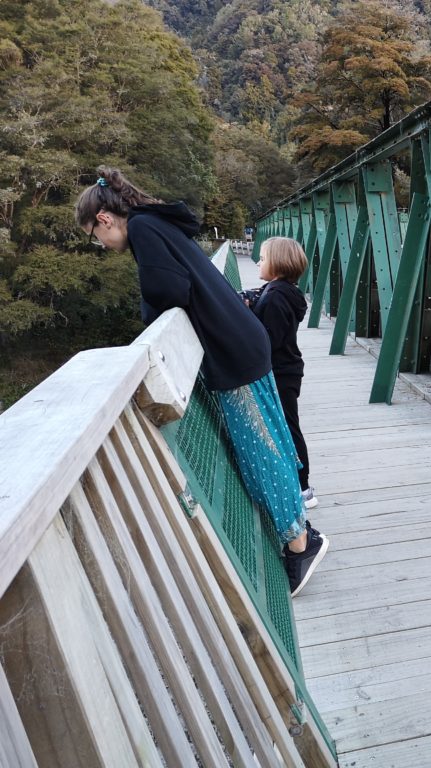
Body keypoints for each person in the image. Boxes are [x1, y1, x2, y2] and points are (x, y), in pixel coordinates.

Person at [75, 166, 328, 597]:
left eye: (95, 236)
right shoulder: (154, 223)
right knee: (271, 443)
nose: (100, 244)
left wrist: (147, 317)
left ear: (104, 219)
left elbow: (167, 289)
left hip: (234, 352)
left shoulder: (143, 230)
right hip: (243, 343)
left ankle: (299, 548)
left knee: (259, 453)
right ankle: (304, 531)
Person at [240, 236, 317, 510]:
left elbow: (269, 340)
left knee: (287, 426)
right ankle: (300, 483)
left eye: (262, 257)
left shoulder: (275, 297)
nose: (259, 262)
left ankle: (303, 487)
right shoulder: (280, 290)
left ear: (278, 262)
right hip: (287, 370)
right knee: (287, 425)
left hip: (281, 373)